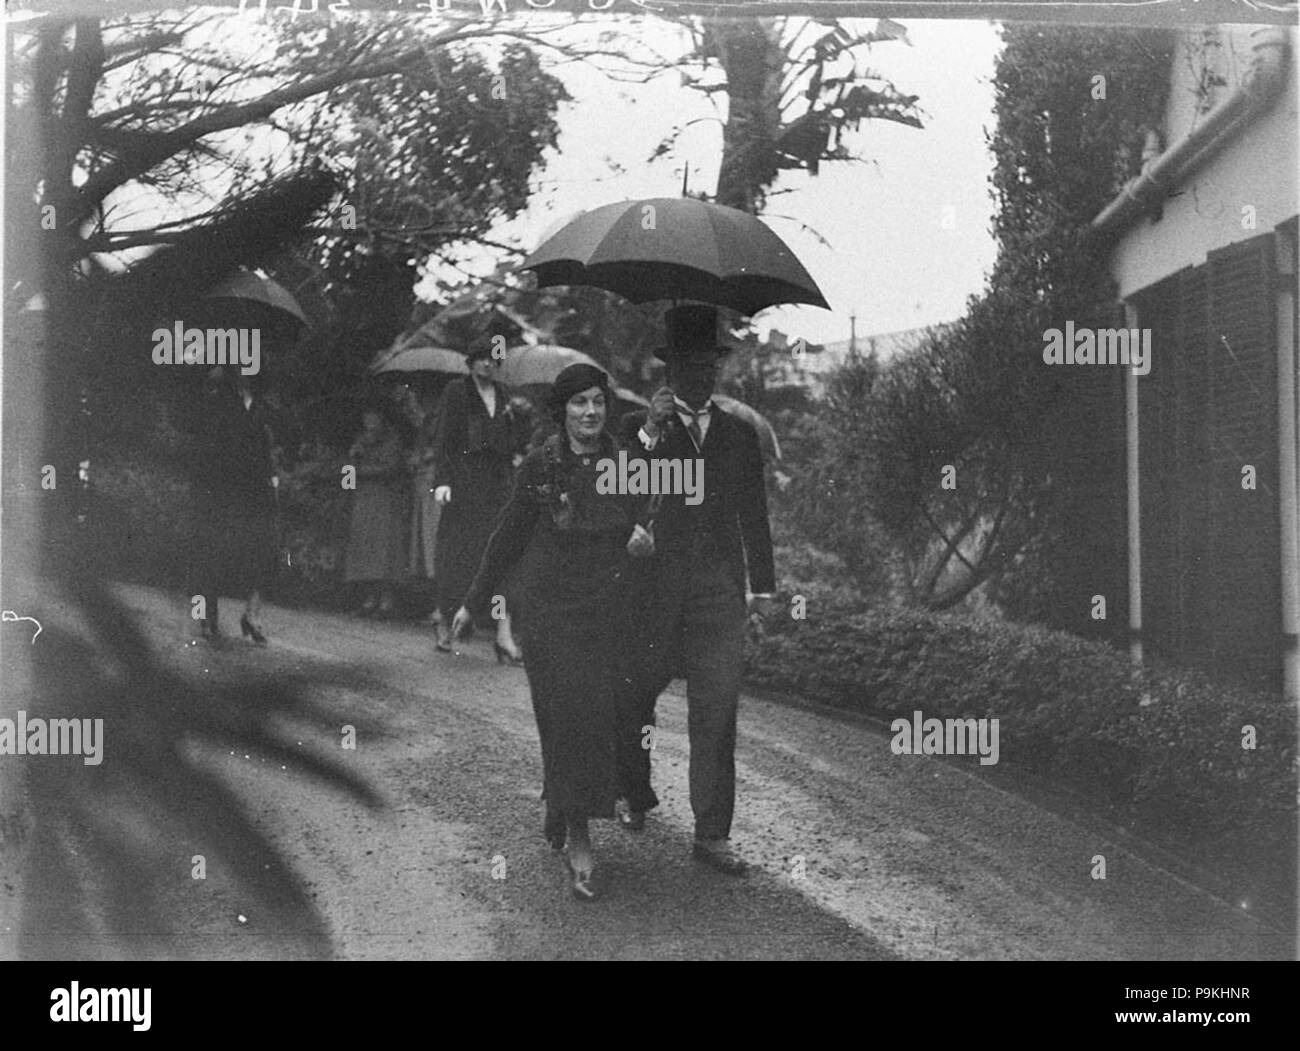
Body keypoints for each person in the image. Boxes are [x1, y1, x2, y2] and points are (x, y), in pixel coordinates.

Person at [451, 363, 659, 901]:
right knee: (564, 716)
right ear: (561, 410)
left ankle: (563, 798)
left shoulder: (627, 464)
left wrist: (645, 538)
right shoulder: (542, 465)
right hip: (548, 612)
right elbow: (508, 536)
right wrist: (474, 602)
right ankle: (580, 839)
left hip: (608, 609)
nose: (590, 412)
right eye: (578, 403)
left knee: (605, 713)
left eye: (597, 402)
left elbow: (650, 518)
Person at [618, 304, 778, 877]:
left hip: (717, 587)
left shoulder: (737, 434)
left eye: (708, 363)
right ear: (670, 369)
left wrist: (762, 588)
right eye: (688, 364)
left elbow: (753, 517)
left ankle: (712, 834)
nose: (700, 374)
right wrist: (650, 432)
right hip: (654, 585)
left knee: (718, 708)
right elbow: (624, 493)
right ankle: (633, 792)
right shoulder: (643, 430)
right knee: (637, 694)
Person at [431, 334, 529, 658]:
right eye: (483, 357)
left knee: (501, 556)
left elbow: (513, 444)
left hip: (497, 486)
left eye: (494, 358)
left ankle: (503, 633)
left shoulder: (503, 396)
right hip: (464, 484)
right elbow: (444, 438)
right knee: (457, 556)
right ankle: (445, 621)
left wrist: (519, 421)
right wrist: (442, 481)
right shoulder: (457, 392)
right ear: (472, 361)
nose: (489, 363)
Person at [188, 365, 279, 645]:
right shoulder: (218, 402)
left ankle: (252, 615)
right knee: (213, 553)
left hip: (255, 489)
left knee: (263, 551)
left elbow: (268, 449)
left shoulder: (263, 407)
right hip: (221, 488)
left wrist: (271, 479)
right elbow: (206, 446)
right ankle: (206, 617)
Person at [342, 399, 411, 618]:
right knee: (366, 549)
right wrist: (352, 459)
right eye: (366, 416)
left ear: (382, 418)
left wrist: (361, 469)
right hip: (364, 499)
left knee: (385, 550)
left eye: (374, 416)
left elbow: (391, 468)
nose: (370, 421)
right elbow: (347, 478)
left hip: (385, 499)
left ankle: (387, 602)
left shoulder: (392, 440)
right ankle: (370, 598)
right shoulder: (360, 440)